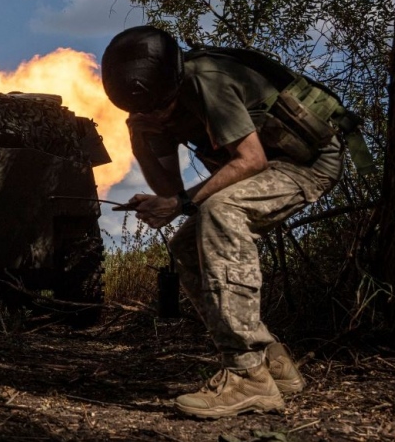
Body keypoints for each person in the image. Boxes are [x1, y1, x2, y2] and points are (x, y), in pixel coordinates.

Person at [101, 25, 344, 418]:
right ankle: (273, 363)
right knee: (184, 243)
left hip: (307, 163)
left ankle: (247, 375)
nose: (153, 114)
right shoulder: (149, 109)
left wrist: (180, 203)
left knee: (221, 211)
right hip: (265, 166)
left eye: (157, 107)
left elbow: (252, 161)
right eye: (142, 111)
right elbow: (169, 190)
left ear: (174, 83)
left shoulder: (207, 81)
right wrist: (143, 141)